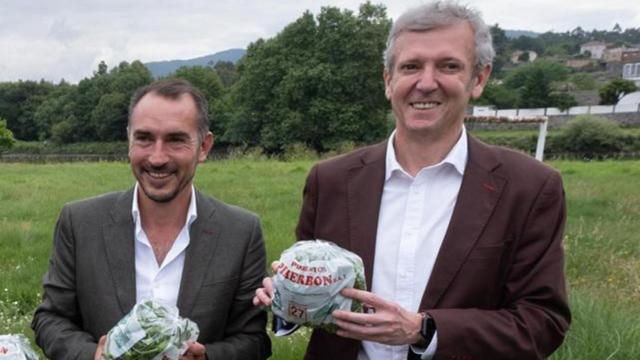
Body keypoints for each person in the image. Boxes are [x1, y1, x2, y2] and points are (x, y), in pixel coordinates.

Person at [254, 1, 570, 359]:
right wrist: (287, 296)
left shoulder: (528, 188)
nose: (426, 82)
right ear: (389, 80)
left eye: (449, 66)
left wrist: (425, 331)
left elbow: (542, 321)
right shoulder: (331, 180)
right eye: (411, 66)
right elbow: (316, 299)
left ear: (478, 79)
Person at [32, 79, 271, 360]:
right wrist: (92, 356)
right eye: (144, 138)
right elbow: (50, 319)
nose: (157, 158)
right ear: (129, 140)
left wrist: (206, 357)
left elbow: (253, 339)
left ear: (204, 147)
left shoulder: (241, 231)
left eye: (175, 140)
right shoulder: (80, 222)